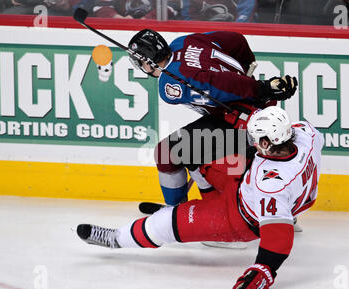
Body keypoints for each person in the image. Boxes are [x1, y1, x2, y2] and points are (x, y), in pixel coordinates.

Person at [76, 106, 324, 289]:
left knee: (162, 224)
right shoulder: (307, 135)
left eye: (255, 140)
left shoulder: (270, 187)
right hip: (246, 186)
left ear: (268, 143)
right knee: (194, 155)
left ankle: (116, 238)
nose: (251, 142)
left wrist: (265, 269)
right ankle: (195, 203)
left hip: (237, 218)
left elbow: (278, 236)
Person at [127, 29, 298, 206]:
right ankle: (275, 205)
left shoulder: (169, 84)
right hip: (250, 110)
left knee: (171, 154)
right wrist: (253, 83)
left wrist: (259, 88)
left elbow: (216, 84)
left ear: (146, 63)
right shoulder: (184, 41)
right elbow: (237, 40)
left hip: (242, 119)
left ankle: (177, 214)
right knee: (183, 150)